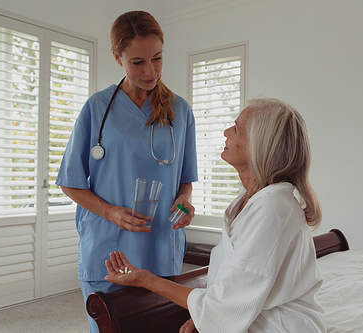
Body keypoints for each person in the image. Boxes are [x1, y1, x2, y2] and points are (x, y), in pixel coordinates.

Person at [104, 98, 326, 333]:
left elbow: (227, 304)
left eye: (237, 128)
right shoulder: (249, 200)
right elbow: (234, 287)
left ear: (259, 145)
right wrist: (207, 316)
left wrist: (145, 280)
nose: (226, 131)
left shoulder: (274, 208)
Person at [55, 10, 198, 333]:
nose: (151, 71)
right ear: (117, 57)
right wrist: (112, 213)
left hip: (161, 246)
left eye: (157, 58)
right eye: (137, 62)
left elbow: (185, 180)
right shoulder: (96, 109)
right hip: (110, 250)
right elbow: (70, 182)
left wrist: (184, 202)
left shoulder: (180, 111)